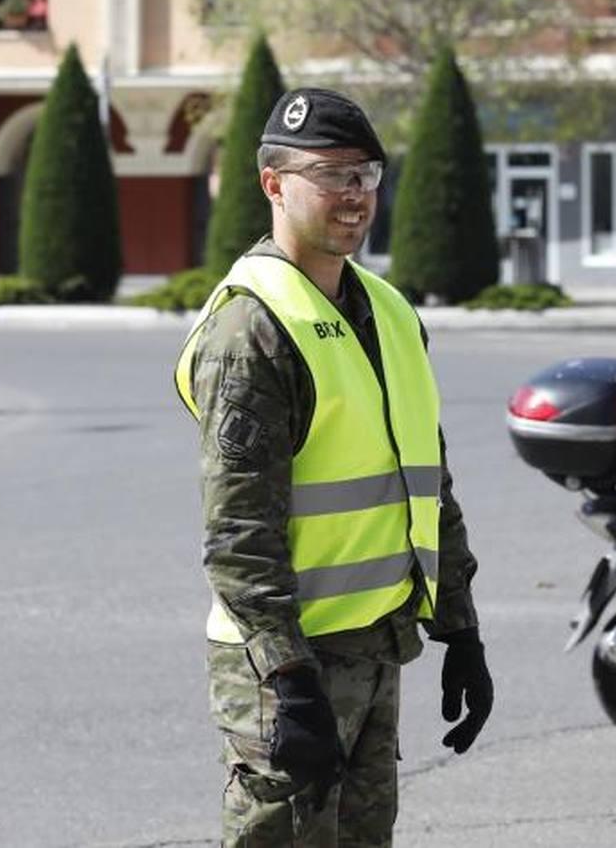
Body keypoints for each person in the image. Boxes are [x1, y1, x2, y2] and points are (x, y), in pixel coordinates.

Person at [174, 87, 492, 846]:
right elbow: (238, 534)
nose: (354, 195)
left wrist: (461, 628)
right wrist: (288, 681)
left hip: (377, 646)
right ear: (273, 184)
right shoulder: (250, 329)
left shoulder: (388, 309)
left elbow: (428, 484)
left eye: (367, 174)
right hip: (290, 665)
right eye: (331, 175)